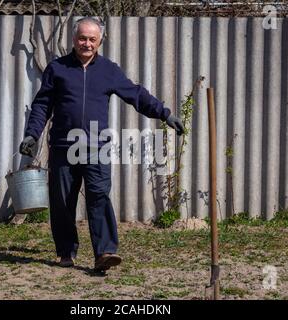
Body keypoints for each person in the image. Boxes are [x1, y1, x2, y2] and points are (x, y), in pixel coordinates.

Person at [19, 17, 183, 272]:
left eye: (92, 39)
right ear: (74, 39)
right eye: (82, 38)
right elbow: (42, 105)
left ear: (100, 41)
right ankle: (66, 251)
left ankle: (105, 252)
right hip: (64, 145)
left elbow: (135, 94)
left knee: (99, 197)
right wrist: (32, 135)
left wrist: (164, 114)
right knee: (62, 201)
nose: (87, 43)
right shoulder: (57, 68)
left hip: (98, 146)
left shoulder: (109, 70)